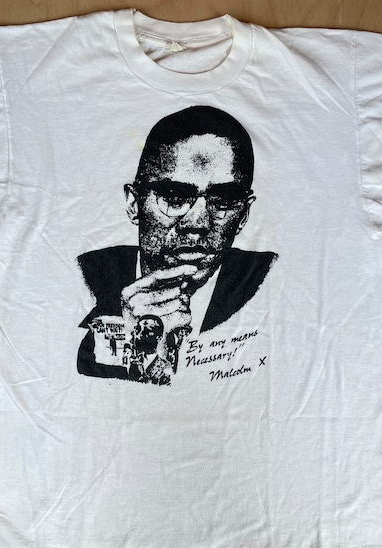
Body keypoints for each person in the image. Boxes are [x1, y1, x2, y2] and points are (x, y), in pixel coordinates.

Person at [77, 106, 278, 381]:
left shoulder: (270, 282)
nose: (198, 223)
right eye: (174, 196)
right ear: (134, 204)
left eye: (224, 201)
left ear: (243, 215)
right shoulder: (83, 278)